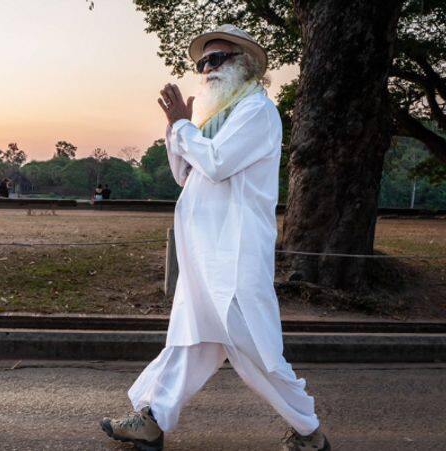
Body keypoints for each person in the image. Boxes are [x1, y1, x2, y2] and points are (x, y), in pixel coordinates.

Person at [100, 25, 329, 451]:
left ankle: (308, 431)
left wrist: (183, 128)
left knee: (257, 352)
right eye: (202, 63)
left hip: (234, 255)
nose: (206, 69)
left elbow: (219, 163)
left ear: (243, 65)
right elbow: (184, 173)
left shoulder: (257, 111)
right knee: (189, 340)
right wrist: (178, 130)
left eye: (216, 59)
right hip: (205, 255)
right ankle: (150, 419)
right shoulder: (216, 117)